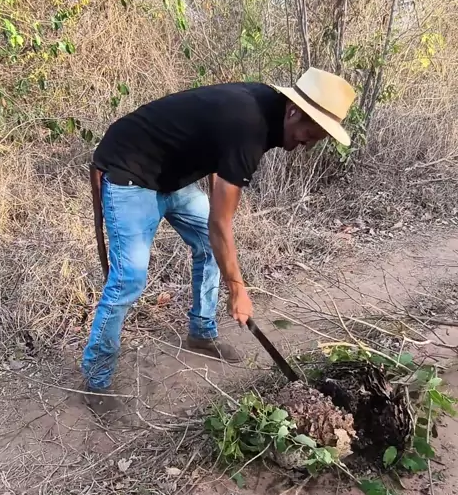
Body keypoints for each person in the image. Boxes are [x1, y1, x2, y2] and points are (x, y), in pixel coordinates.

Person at [82, 67, 355, 416]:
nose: (307, 144)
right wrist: (237, 289)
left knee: (211, 248)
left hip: (172, 176)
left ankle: (201, 331)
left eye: (316, 140)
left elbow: (217, 148)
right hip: (129, 170)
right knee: (128, 280)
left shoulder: (266, 109)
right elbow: (220, 223)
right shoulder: (251, 125)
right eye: (309, 135)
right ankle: (96, 380)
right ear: (293, 111)